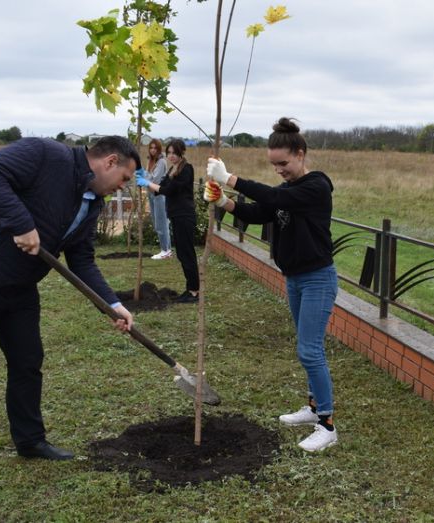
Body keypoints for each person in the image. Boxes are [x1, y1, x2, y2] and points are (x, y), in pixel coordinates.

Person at [0, 136, 139, 496]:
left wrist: (111, 304)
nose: (122, 188)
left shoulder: (92, 203)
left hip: (18, 285)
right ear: (110, 162)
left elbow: (81, 259)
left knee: (27, 361)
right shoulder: (45, 154)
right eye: (125, 179)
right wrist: (20, 222)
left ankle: (30, 440)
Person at [203, 117, 338, 452]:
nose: (279, 170)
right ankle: (312, 409)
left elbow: (269, 197)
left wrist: (230, 177)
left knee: (310, 350)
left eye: (284, 163)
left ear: (301, 154)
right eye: (273, 165)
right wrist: (223, 201)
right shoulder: (285, 192)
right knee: (308, 351)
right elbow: (257, 211)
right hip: (294, 279)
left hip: (318, 279)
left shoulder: (316, 186)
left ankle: (327, 425)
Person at [136, 138, 200, 304]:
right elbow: (159, 186)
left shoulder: (186, 169)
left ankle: (194, 292)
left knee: (187, 254)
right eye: (169, 152)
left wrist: (147, 182)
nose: (171, 156)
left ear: (181, 152)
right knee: (181, 254)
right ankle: (190, 289)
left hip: (185, 216)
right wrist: (145, 177)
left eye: (174, 153)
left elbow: (167, 190)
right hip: (176, 216)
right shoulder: (172, 170)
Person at [144, 139, 173, 260]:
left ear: (159, 149)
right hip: (151, 194)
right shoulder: (151, 161)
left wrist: (144, 176)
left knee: (161, 223)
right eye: (151, 148)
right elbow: (147, 179)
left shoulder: (161, 162)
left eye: (155, 148)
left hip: (159, 195)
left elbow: (154, 180)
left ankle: (165, 250)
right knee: (157, 223)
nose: (153, 150)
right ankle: (167, 250)